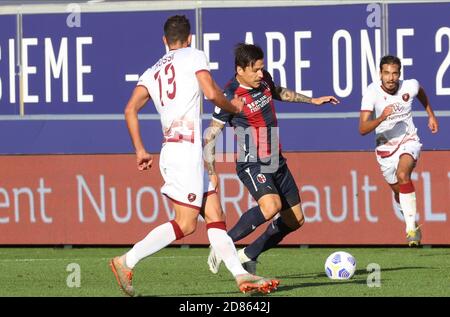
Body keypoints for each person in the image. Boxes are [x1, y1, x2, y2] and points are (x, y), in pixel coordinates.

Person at [109, 16, 279, 296]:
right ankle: (125, 261)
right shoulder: (194, 55)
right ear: (189, 39)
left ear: (165, 41)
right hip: (183, 152)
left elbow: (130, 110)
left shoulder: (152, 71)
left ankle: (241, 276)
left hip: (178, 149)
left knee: (215, 215)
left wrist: (139, 148)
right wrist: (234, 107)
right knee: (186, 224)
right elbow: (212, 93)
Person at [205, 43, 339, 275]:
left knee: (295, 220)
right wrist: (211, 172)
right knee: (270, 207)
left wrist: (312, 100)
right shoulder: (229, 95)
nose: (261, 73)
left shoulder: (264, 79)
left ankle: (248, 254)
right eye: (255, 70)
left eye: (262, 69)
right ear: (240, 70)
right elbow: (210, 135)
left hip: (274, 158)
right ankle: (222, 243)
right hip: (252, 161)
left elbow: (278, 91)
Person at [359, 55, 438, 246]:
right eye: (387, 73)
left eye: (394, 73)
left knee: (404, 175)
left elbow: (420, 92)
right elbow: (362, 129)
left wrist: (431, 115)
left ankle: (410, 228)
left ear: (399, 74)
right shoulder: (372, 92)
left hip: (408, 140)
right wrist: (381, 118)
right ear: (380, 74)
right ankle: (411, 219)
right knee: (398, 192)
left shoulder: (409, 86)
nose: (391, 78)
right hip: (385, 149)